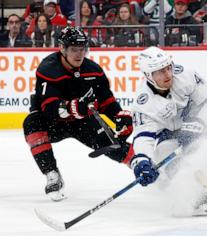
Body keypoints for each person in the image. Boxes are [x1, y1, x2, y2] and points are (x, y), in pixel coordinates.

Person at [130, 46, 207, 216]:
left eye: (168, 68)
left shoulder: (186, 75)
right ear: (149, 75)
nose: (167, 74)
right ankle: (197, 200)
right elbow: (144, 137)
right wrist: (142, 160)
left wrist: (199, 123)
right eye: (160, 72)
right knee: (163, 154)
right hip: (174, 134)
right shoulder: (144, 104)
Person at [23, 26, 133, 202]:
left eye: (82, 49)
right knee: (31, 123)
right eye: (74, 49)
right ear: (62, 49)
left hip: (82, 121)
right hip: (53, 123)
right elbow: (49, 107)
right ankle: (52, 173)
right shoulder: (48, 68)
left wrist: (120, 117)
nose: (79, 54)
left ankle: (138, 162)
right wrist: (72, 108)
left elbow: (107, 101)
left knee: (110, 142)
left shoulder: (94, 70)